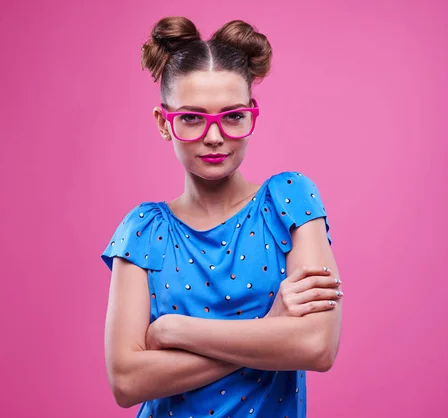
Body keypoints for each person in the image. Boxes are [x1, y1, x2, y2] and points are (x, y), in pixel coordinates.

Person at [100, 16, 344, 418]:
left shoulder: (290, 201)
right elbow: (127, 382)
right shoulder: (142, 230)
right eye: (192, 118)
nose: (214, 137)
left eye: (232, 116)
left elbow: (317, 347)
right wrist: (270, 331)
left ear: (251, 114)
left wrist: (174, 331)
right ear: (165, 123)